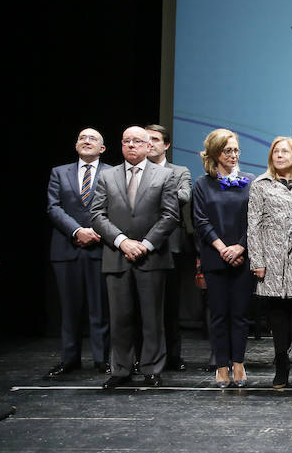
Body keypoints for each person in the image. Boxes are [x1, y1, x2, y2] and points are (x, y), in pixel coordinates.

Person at [91, 126, 179, 389]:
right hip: (117, 255)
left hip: (151, 257)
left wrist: (146, 244)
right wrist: (122, 241)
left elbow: (170, 215)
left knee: (152, 318)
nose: (131, 145)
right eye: (126, 141)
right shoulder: (107, 176)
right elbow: (97, 215)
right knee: (119, 318)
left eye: (137, 141)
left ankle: (152, 368)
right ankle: (121, 369)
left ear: (148, 146)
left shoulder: (165, 175)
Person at [248, 136, 292, 389]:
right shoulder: (260, 185)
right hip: (272, 253)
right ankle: (281, 364)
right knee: (277, 313)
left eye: (285, 152)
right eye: (276, 152)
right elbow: (253, 225)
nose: (280, 155)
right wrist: (257, 260)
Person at [45, 128, 111, 379]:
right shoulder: (59, 172)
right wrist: (77, 231)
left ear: (102, 148)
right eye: (82, 137)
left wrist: (95, 231)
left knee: (100, 308)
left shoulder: (112, 173)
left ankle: (102, 359)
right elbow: (54, 208)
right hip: (66, 247)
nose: (86, 140)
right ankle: (69, 359)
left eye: (92, 138)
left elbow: (115, 208)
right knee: (69, 308)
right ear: (76, 145)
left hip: (100, 246)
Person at [192, 128, 255, 388]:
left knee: (240, 314)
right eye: (228, 150)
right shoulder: (202, 184)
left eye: (236, 150)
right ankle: (221, 365)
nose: (233, 155)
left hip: (243, 256)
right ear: (215, 153)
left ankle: (238, 363)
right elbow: (200, 221)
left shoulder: (250, 181)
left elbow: (255, 220)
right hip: (215, 257)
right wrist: (223, 249)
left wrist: (239, 248)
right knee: (218, 314)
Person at [145, 124, 192, 372]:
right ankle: (143, 355)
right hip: (138, 242)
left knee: (170, 304)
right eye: (146, 139)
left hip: (171, 245)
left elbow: (183, 197)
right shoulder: (134, 172)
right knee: (142, 305)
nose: (149, 143)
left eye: (154, 139)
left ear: (166, 145)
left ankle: (173, 356)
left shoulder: (179, 171)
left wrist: (149, 193)